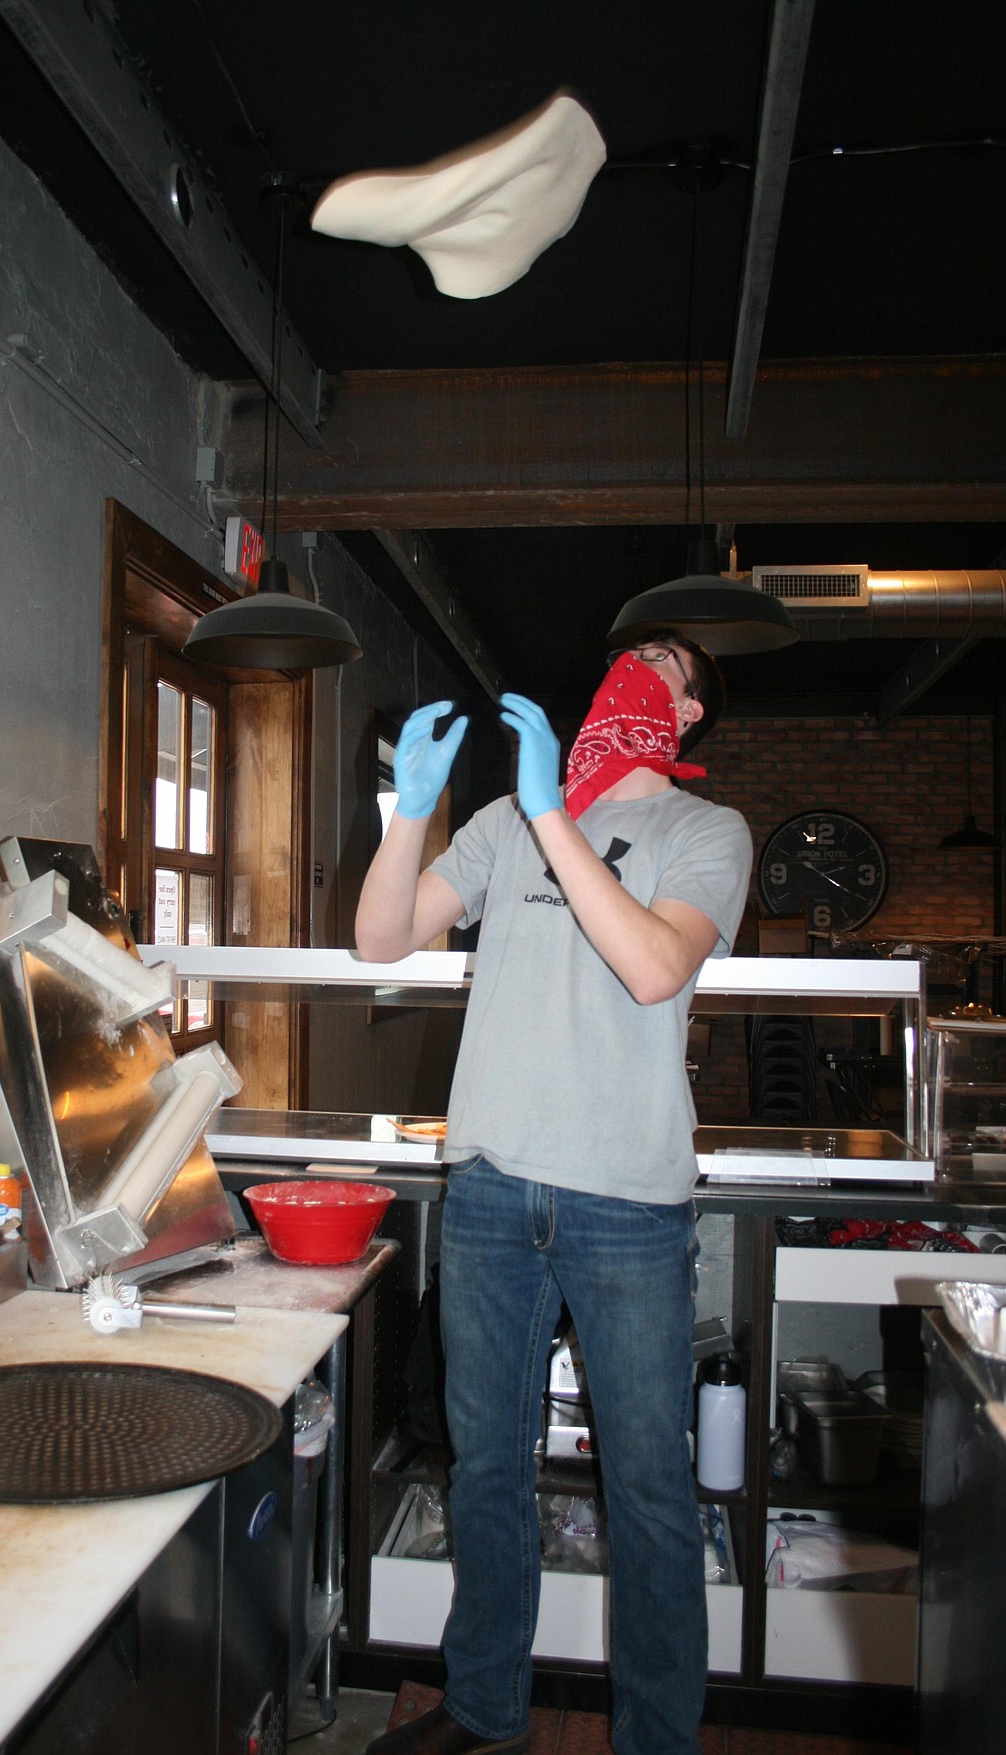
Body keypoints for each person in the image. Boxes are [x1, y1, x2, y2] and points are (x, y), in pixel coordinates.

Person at [356, 630, 753, 1755]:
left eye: (667, 662)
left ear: (687, 713)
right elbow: (379, 938)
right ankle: (484, 1709)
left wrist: (552, 814)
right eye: (634, 650)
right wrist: (409, 812)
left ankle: (657, 1738)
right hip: (490, 1190)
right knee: (486, 1469)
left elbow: (655, 966)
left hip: (628, 1204)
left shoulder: (706, 831)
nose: (639, 664)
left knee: (650, 1490)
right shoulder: (500, 823)